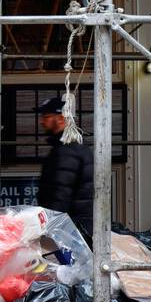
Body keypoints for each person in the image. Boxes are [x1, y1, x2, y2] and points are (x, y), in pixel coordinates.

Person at [36, 96, 95, 237]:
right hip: (78, 226)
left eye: (47, 116)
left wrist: (50, 228)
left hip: (71, 229)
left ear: (61, 118)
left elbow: (61, 193)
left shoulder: (67, 150)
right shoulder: (71, 147)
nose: (42, 121)